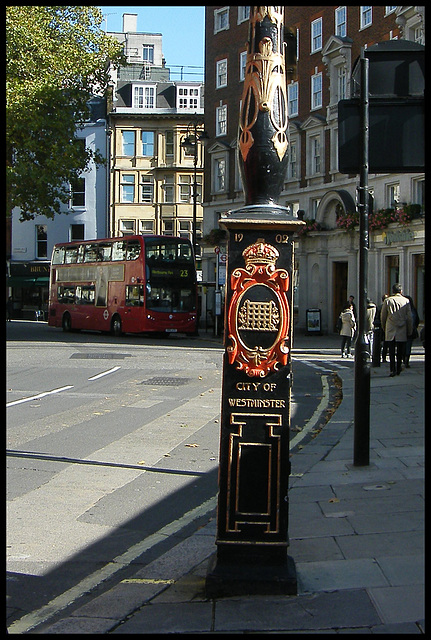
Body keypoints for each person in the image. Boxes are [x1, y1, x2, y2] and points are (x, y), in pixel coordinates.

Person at [380, 283, 413, 377]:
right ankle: (398, 368)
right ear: (401, 291)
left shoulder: (388, 301)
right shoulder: (406, 301)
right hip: (402, 328)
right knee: (400, 350)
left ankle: (392, 369)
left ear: (393, 291)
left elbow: (383, 316)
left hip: (391, 327)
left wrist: (384, 327)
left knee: (391, 350)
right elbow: (409, 317)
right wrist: (409, 330)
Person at [404, 295, 420, 368]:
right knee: (408, 346)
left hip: (403, 330)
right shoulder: (413, 309)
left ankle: (403, 359)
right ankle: (406, 360)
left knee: (402, 345)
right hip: (411, 330)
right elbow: (417, 320)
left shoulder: (403, 310)